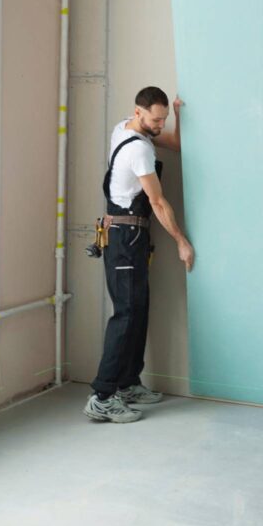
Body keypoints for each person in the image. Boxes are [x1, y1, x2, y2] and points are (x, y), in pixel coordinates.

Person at [83, 86, 195, 424]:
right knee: (126, 315)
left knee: (138, 311)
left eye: (163, 119)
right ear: (138, 112)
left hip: (128, 235)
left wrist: (176, 116)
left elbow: (176, 144)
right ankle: (102, 396)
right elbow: (158, 202)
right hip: (124, 237)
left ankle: (127, 383)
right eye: (156, 119)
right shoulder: (139, 152)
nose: (160, 125)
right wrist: (181, 241)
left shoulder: (126, 128)